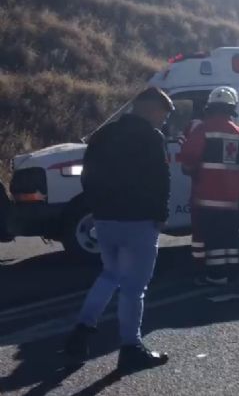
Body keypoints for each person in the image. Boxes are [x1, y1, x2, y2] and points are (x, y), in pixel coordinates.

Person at [64, 87, 173, 372]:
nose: (164, 120)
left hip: (105, 220)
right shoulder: (151, 137)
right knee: (135, 288)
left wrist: (97, 207)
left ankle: (82, 331)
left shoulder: (103, 134)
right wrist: (160, 214)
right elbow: (161, 179)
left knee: (110, 274)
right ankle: (131, 347)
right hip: (138, 222)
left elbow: (87, 175)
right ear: (150, 108)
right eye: (163, 114)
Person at [181, 86, 239, 286]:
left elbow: (189, 159)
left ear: (210, 106)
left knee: (212, 239)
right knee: (230, 238)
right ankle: (231, 272)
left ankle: (215, 275)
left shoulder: (202, 129)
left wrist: (188, 168)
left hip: (206, 197)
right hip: (231, 199)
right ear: (232, 108)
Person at [178, 109, 205, 273]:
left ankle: (200, 263)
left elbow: (187, 158)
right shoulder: (205, 127)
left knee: (201, 229)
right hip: (220, 190)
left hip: (201, 188)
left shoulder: (196, 127)